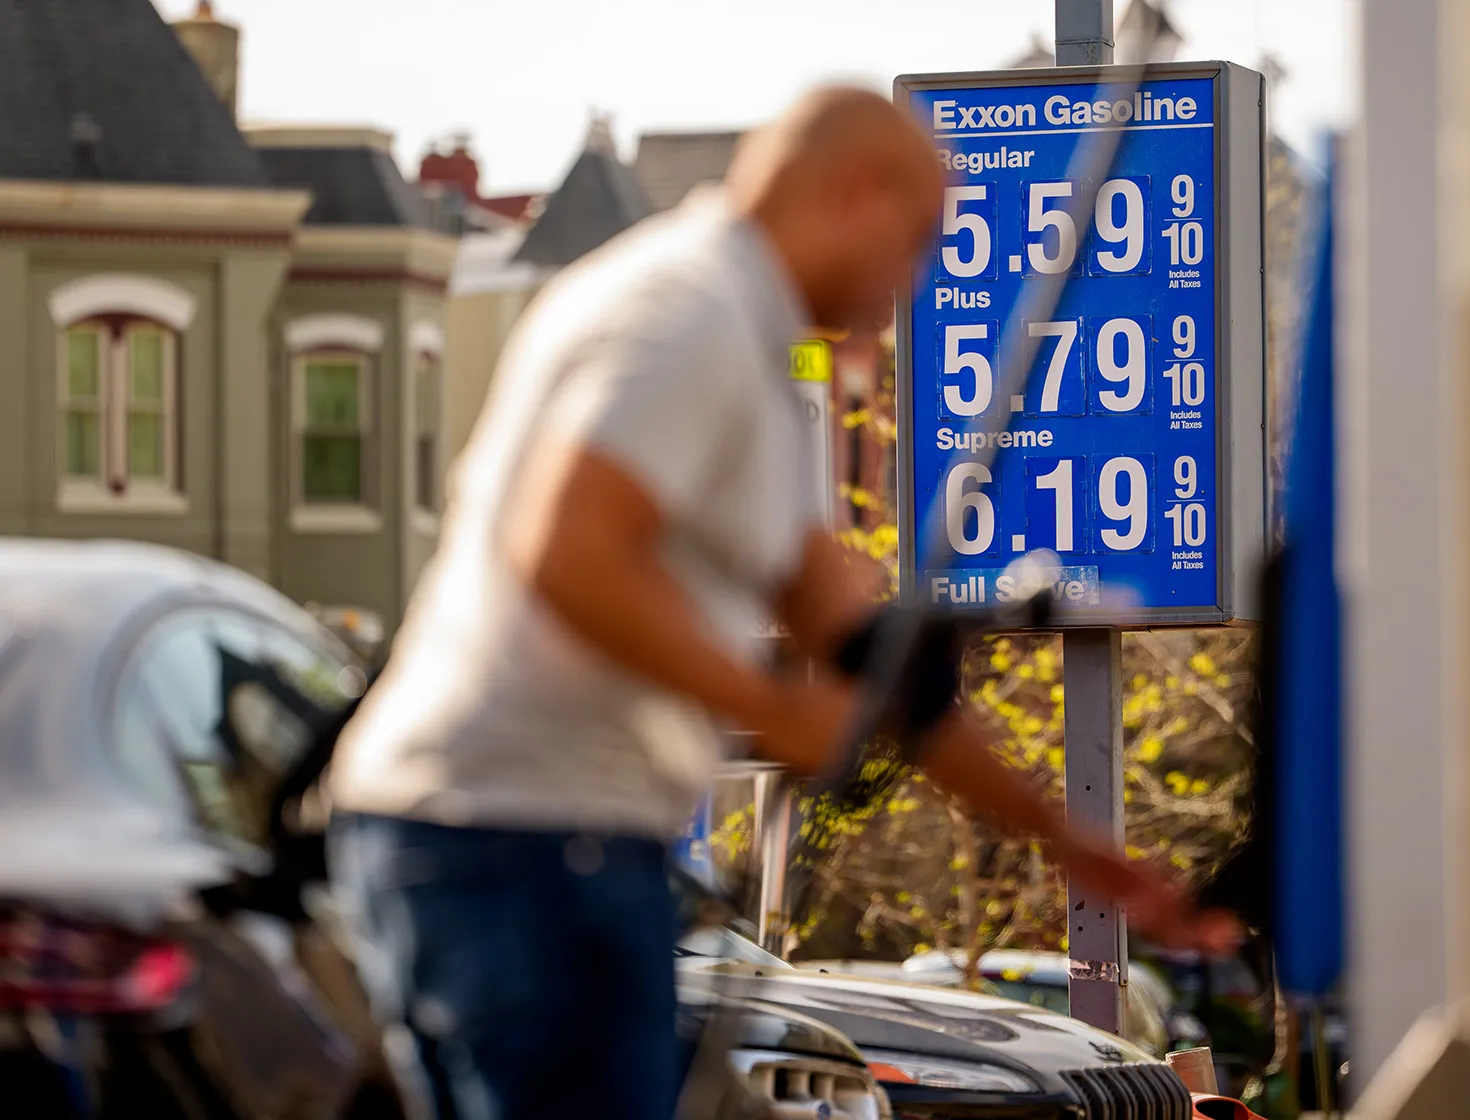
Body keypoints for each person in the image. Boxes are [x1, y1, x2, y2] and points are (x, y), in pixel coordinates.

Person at [327, 85, 1240, 1120]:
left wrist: (1067, 841)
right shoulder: (686, 310)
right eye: (921, 237)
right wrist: (772, 705)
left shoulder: (754, 354)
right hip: (513, 835)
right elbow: (567, 548)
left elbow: (865, 650)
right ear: (855, 192)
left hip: (531, 835)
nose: (923, 273)